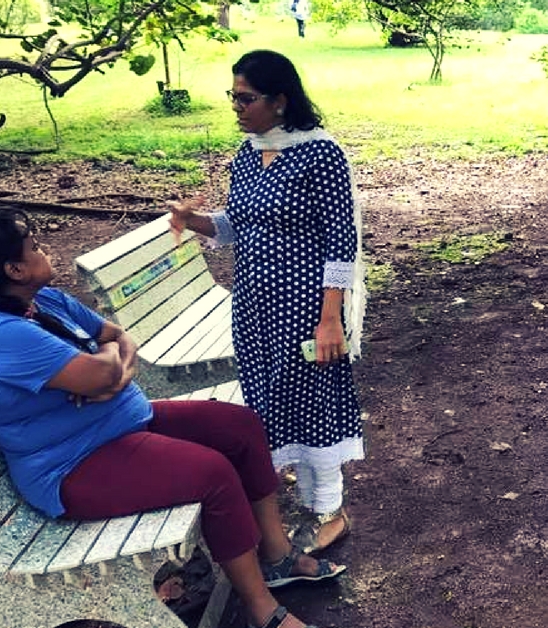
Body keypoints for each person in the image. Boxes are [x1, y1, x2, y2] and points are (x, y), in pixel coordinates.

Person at [0, 208, 341, 628]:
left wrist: (107, 373)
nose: (45, 250)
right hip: (73, 466)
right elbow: (106, 367)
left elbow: (117, 337)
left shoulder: (41, 301)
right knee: (213, 474)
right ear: (14, 269)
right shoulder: (2, 334)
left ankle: (276, 556)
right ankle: (262, 611)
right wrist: (106, 369)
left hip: (122, 423)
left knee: (240, 427)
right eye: (35, 247)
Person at [168, 49, 365, 558]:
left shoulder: (320, 154)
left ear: (280, 100)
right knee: (268, 400)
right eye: (232, 97)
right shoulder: (248, 155)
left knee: (313, 398)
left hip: (304, 306)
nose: (236, 107)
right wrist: (195, 222)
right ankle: (297, 501)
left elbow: (340, 241)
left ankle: (329, 509)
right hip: (255, 306)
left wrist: (330, 320)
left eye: (246, 98)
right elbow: (239, 224)